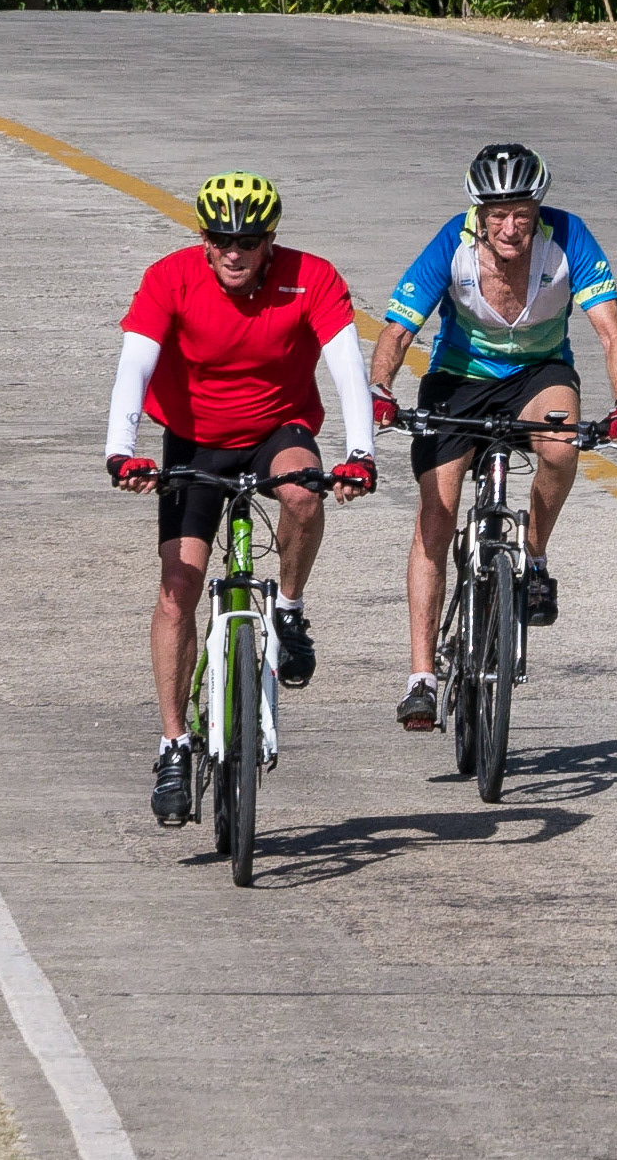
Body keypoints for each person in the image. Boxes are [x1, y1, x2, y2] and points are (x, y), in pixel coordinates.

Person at [106, 172, 377, 824]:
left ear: (270, 241)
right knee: (178, 586)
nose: (234, 251)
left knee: (304, 495)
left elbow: (347, 368)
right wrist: (122, 451)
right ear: (203, 239)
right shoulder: (170, 278)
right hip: (193, 441)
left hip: (276, 430)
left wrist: (361, 454)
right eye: (222, 239)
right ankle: (174, 742)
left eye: (249, 240)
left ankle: (288, 607)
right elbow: (133, 366)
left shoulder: (310, 277)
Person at [368, 144, 617, 731]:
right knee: (436, 514)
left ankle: (536, 558)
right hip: (457, 379)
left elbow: (611, 330)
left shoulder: (569, 238)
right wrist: (381, 389)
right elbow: (397, 331)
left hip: (538, 374)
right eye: (498, 215)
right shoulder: (452, 244)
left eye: (522, 212)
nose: (511, 227)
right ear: (479, 213)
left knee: (561, 445)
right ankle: (421, 676)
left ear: (538, 208)